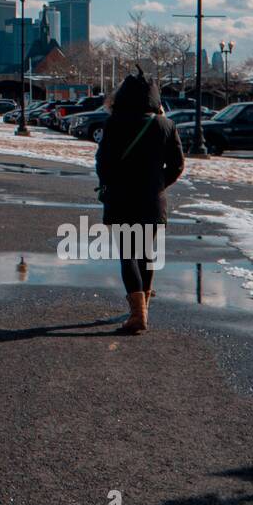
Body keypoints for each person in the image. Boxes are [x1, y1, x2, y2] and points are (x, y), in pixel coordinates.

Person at [94, 69, 185, 334]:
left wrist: (109, 183)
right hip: (152, 201)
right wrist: (158, 185)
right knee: (146, 254)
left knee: (128, 255)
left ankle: (138, 315)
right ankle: (142, 308)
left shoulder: (114, 123)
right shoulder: (166, 125)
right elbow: (178, 165)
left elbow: (103, 163)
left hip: (121, 198)